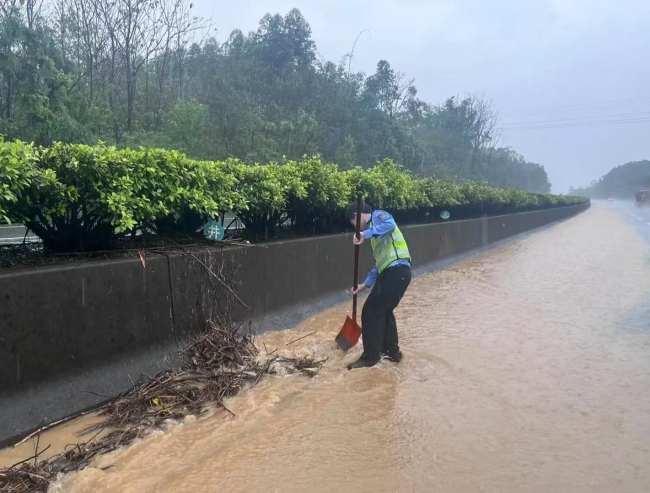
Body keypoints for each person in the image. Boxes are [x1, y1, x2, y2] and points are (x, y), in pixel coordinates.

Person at [346, 202, 412, 370]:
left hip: (397, 272)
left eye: (353, 222)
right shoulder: (375, 238)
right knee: (383, 311)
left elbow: (390, 225)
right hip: (394, 274)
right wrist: (365, 284)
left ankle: (370, 357)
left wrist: (365, 233)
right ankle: (392, 353)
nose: (355, 227)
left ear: (357, 215)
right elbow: (379, 264)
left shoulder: (378, 217)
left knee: (370, 311)